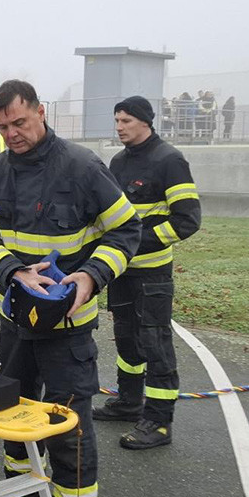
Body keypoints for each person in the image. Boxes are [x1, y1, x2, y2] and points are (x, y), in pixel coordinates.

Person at [0, 80, 141, 497]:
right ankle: (23, 493)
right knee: (14, 409)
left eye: (20, 122)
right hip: (15, 321)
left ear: (41, 112)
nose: (13, 134)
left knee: (68, 424)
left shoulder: (82, 167)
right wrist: (11, 272)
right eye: (3, 126)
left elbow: (127, 230)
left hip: (68, 327)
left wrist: (90, 277)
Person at [94, 96, 201, 449]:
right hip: (121, 272)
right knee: (127, 340)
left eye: (126, 120)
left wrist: (137, 242)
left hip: (152, 275)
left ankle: (158, 421)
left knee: (155, 344)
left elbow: (187, 220)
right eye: (117, 120)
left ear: (145, 122)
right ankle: (129, 402)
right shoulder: (119, 161)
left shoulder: (169, 160)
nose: (120, 127)